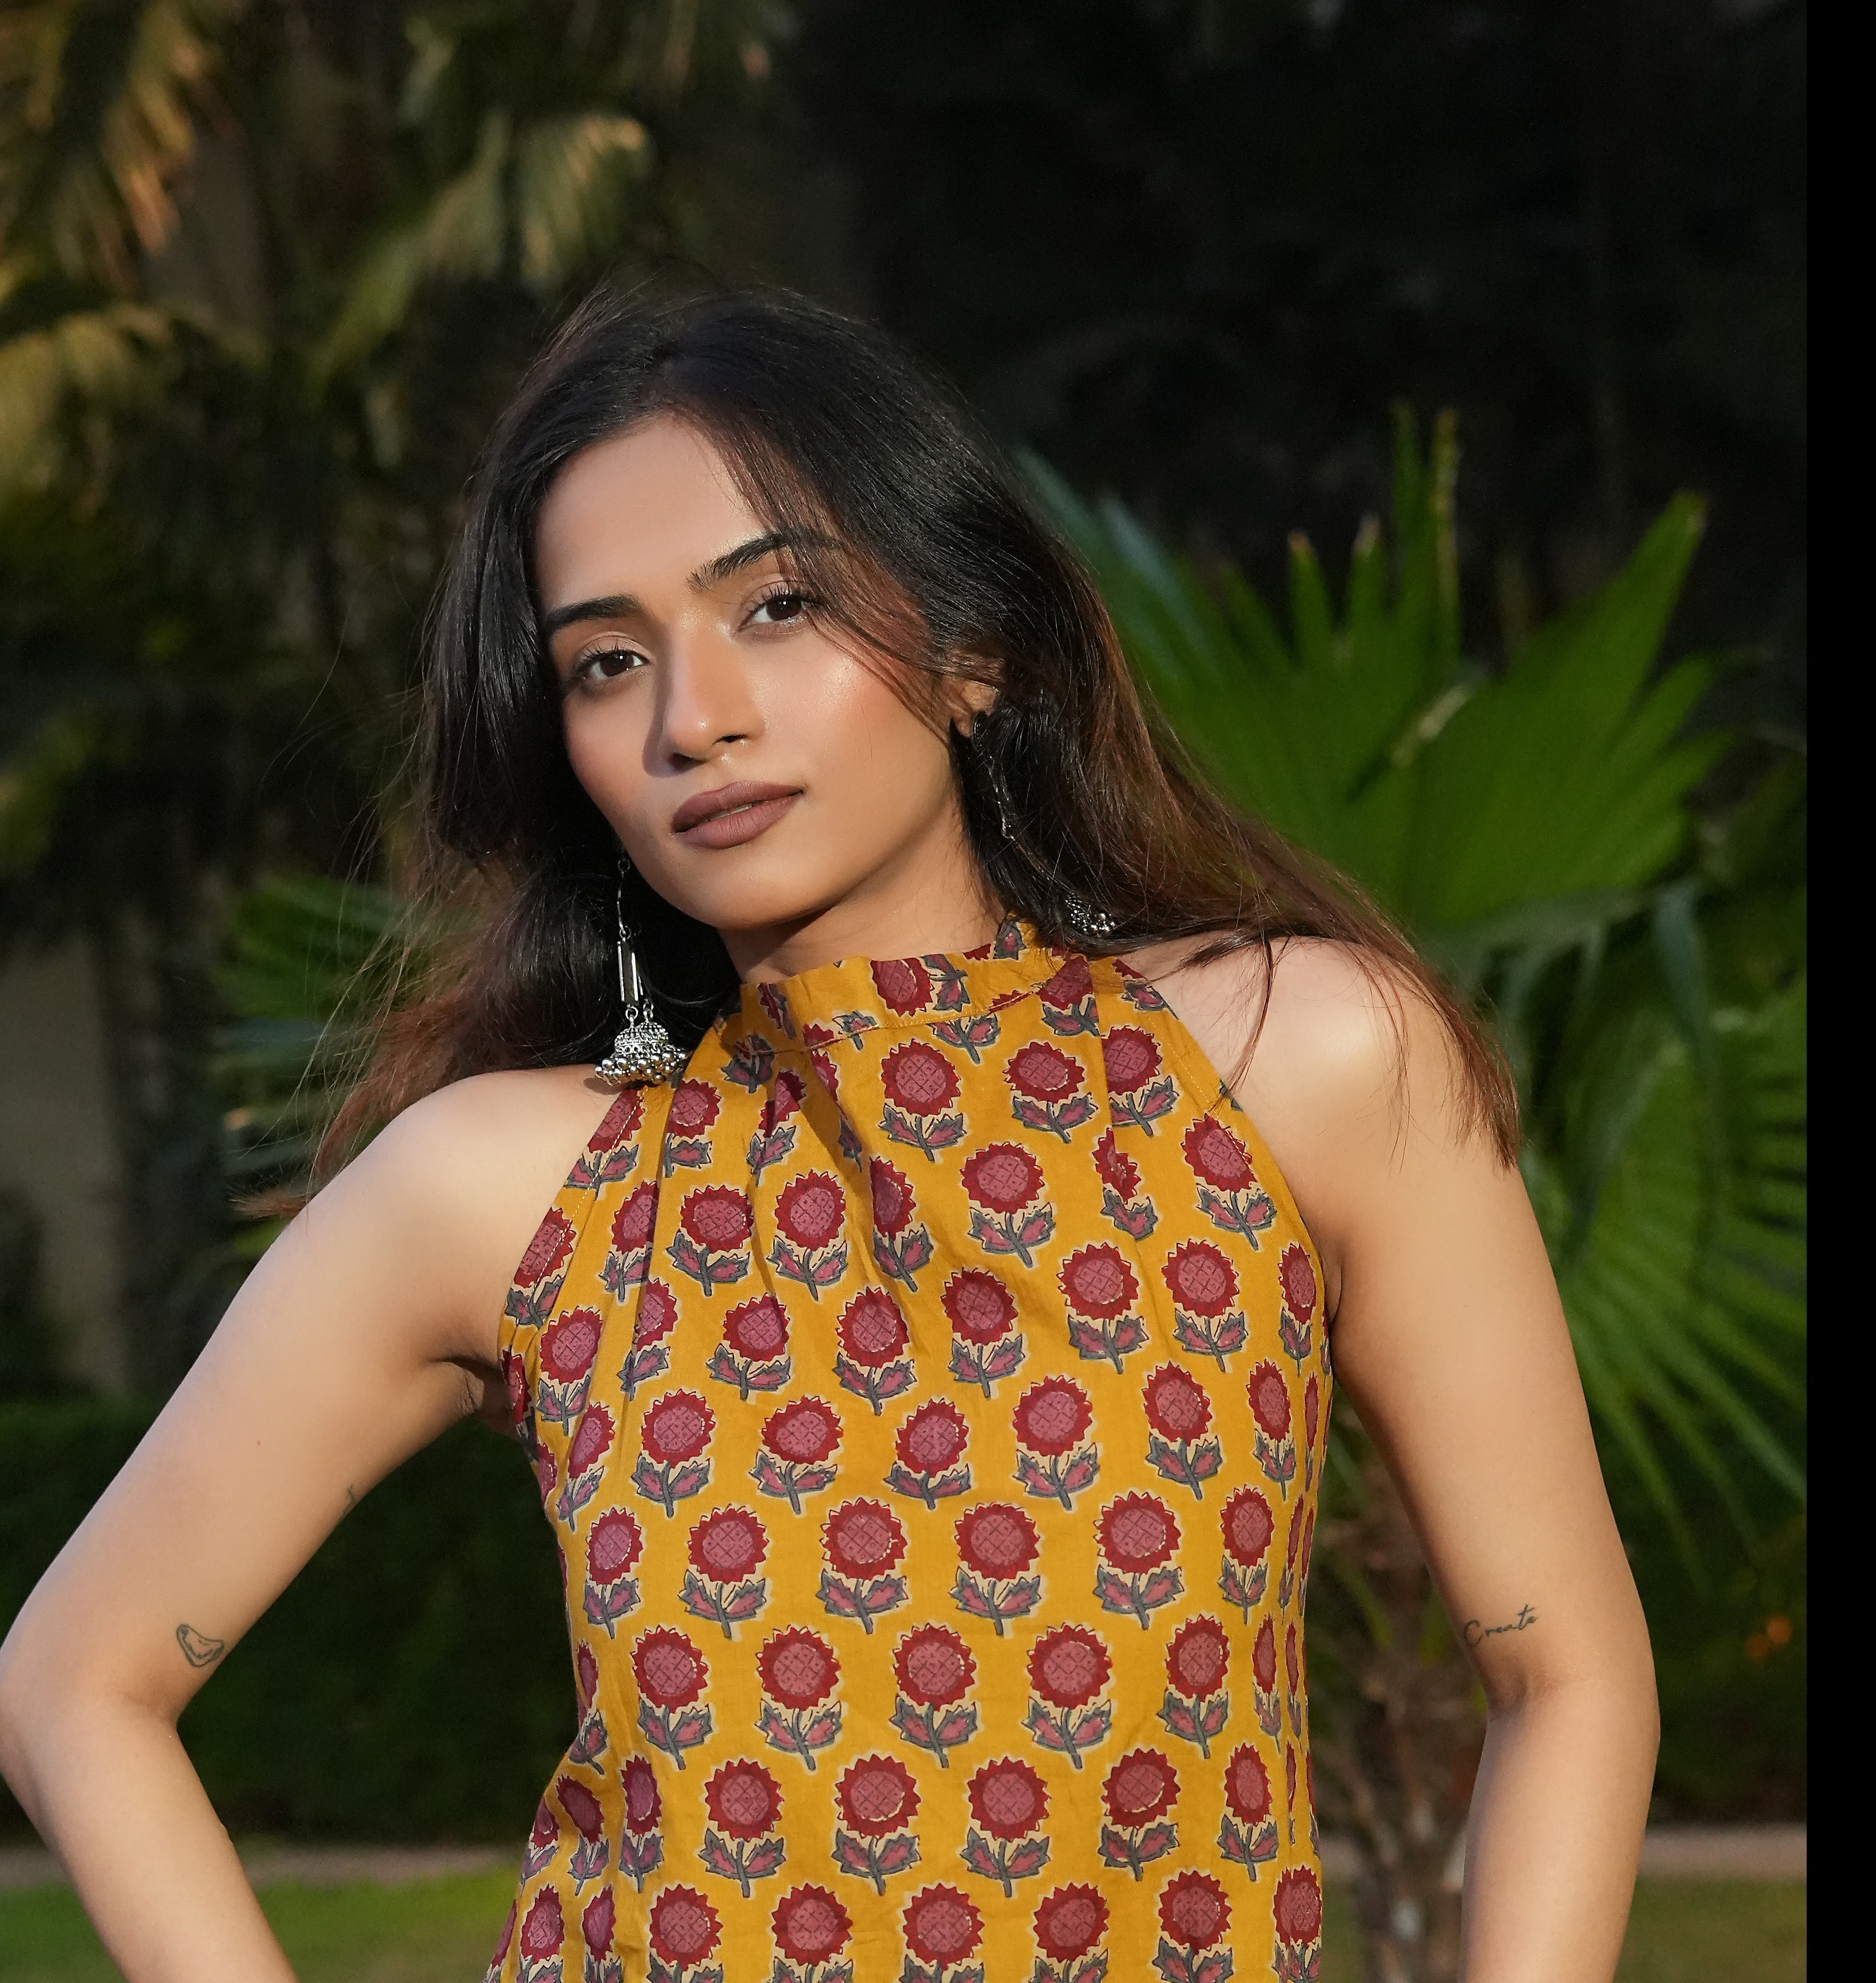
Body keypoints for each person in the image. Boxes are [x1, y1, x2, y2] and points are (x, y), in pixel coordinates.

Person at [0, 289, 1657, 1982]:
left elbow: (1568, 1672)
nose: (692, 719)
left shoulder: (1295, 1061)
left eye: (778, 604)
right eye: (608, 660)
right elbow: (74, 1681)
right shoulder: (499, 1188)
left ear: (976, 646)